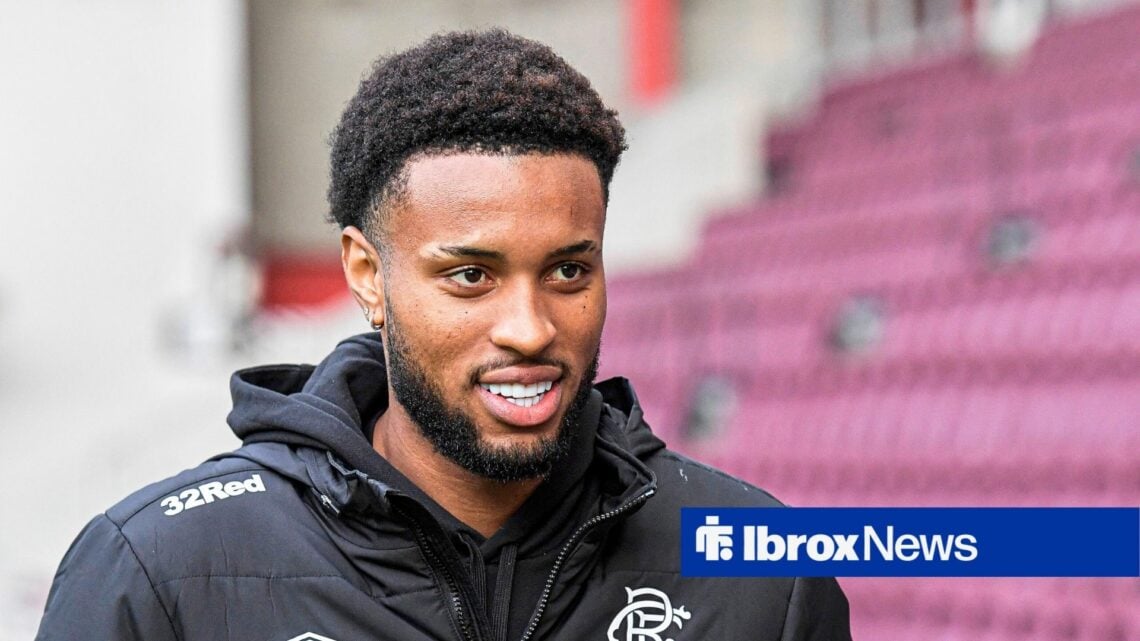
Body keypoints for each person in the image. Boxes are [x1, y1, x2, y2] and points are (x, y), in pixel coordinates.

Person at [36, 29, 850, 641]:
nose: (531, 329)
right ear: (366, 275)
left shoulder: (766, 577)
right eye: (471, 276)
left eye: (568, 271)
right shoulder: (156, 575)